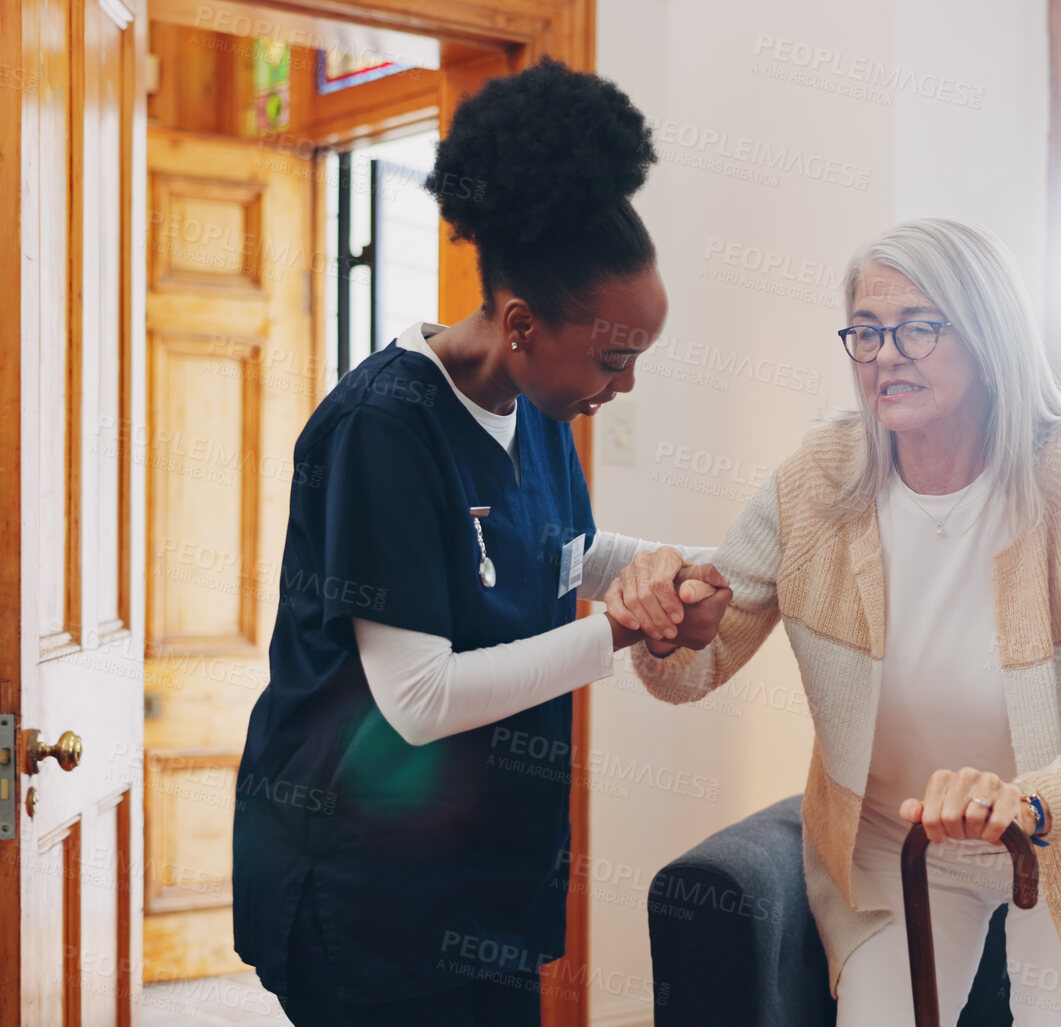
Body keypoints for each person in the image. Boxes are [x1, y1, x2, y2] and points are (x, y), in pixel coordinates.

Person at [232, 60, 728, 1027]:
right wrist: (621, 634)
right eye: (613, 358)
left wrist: (665, 569)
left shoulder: (537, 403)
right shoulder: (383, 429)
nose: (621, 385)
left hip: (483, 866)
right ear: (520, 323)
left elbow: (561, 549)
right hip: (364, 882)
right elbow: (417, 699)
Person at [608, 218, 1061, 1025]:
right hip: (895, 840)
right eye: (865, 331)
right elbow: (698, 658)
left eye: (918, 328)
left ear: (988, 335)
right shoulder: (818, 480)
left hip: (1057, 836)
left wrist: (1030, 803)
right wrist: (667, 623)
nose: (885, 353)